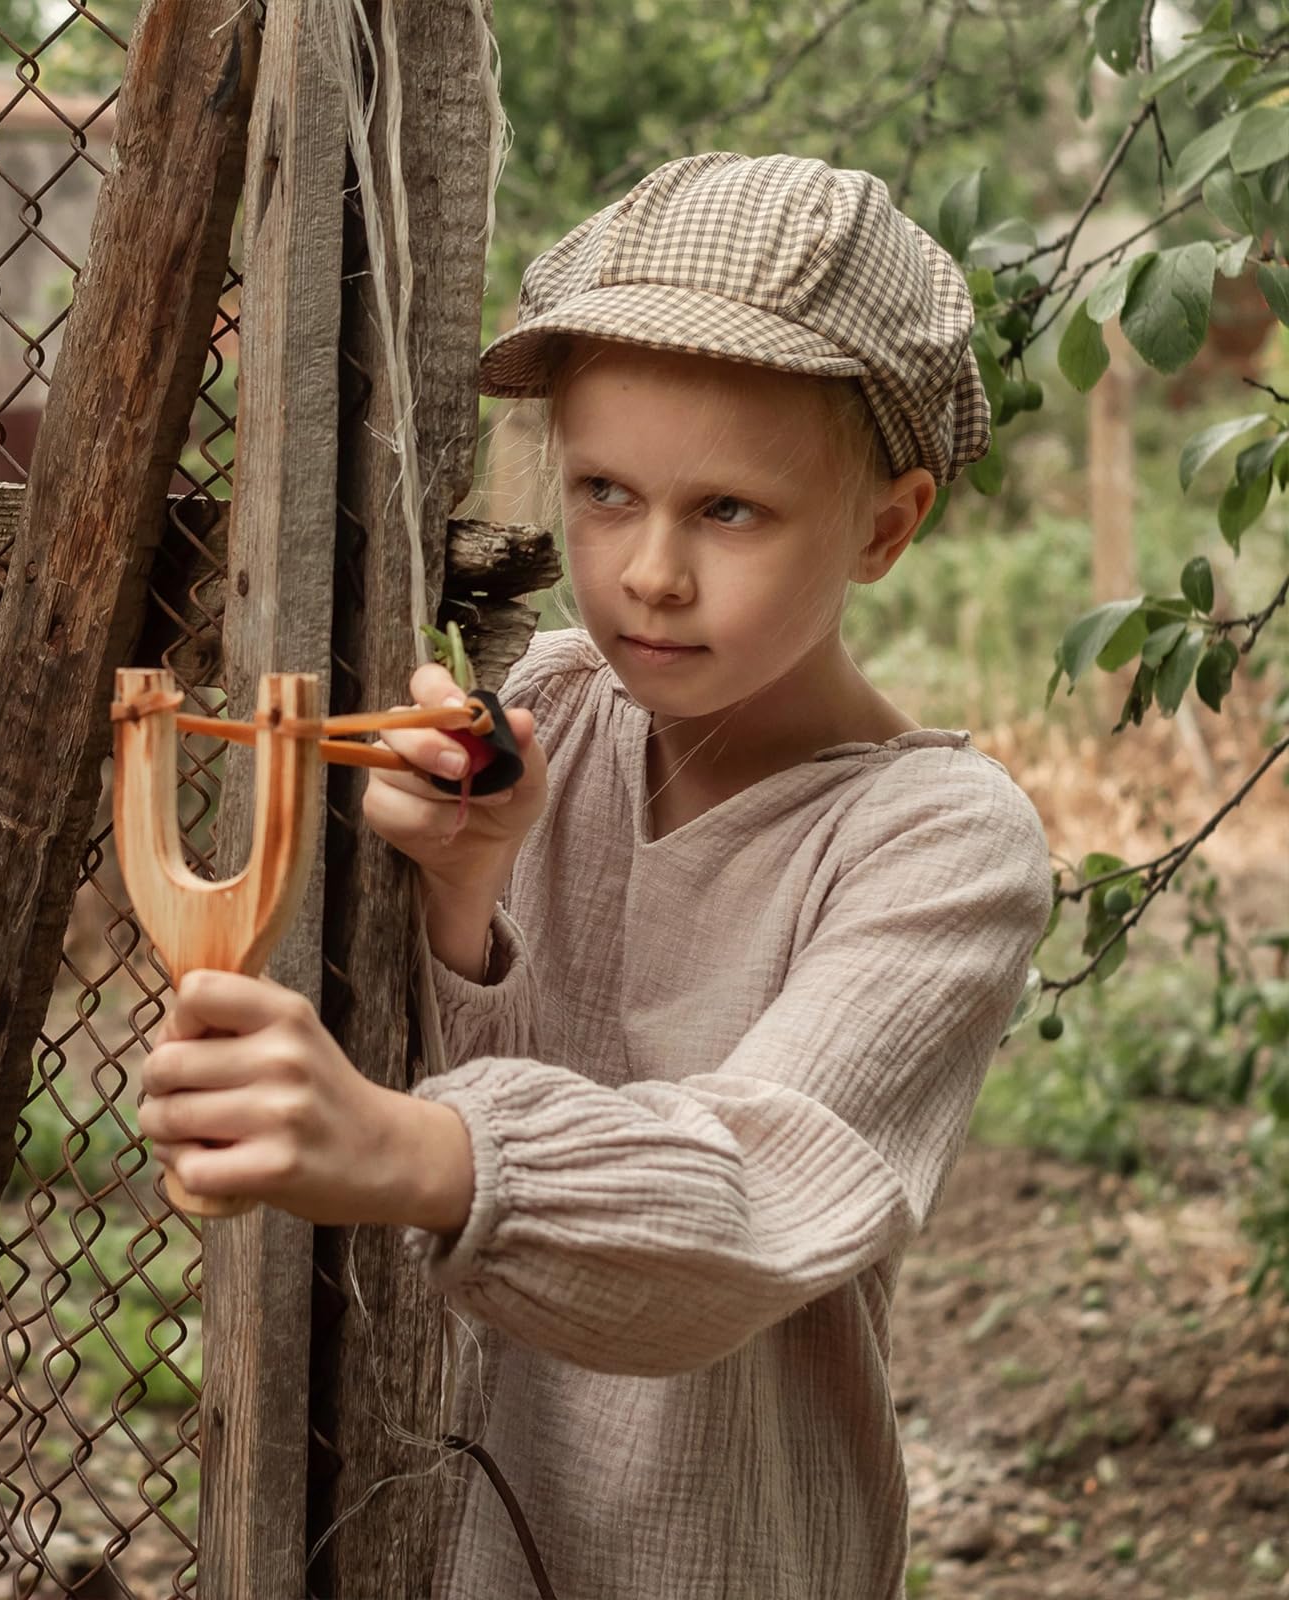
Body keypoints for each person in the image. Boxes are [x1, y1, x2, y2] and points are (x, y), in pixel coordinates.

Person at [139, 151, 1055, 1599]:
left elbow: (747, 1209)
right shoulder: (549, 713)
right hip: (448, 1546)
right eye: (607, 493)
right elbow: (511, 1066)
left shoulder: (940, 845)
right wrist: (466, 896)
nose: (648, 572)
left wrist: (404, 1150)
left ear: (888, 524)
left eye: (729, 512)